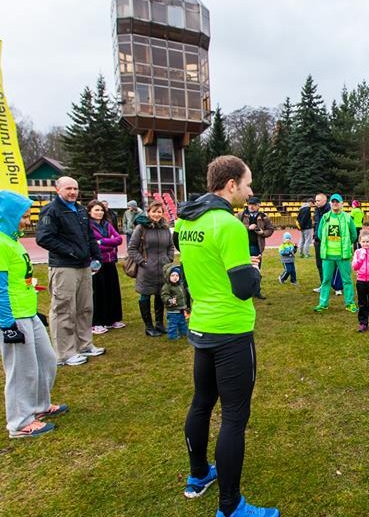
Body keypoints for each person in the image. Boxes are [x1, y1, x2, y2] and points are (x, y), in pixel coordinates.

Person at [174, 155, 278, 517]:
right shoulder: (228, 225)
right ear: (231, 184)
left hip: (201, 325)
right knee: (234, 416)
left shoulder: (187, 220)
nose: (250, 192)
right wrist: (254, 271)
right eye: (247, 184)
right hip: (230, 329)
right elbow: (243, 288)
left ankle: (199, 475)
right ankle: (231, 506)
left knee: (202, 402)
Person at [0, 190, 67, 438]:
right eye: (23, 216)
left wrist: (31, 296)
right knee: (21, 370)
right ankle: (19, 423)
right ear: (8, 215)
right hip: (9, 317)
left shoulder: (11, 241)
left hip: (26, 313)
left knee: (46, 360)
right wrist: (7, 324)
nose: (26, 221)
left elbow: (19, 280)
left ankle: (39, 406)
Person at [36, 176, 105, 367]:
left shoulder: (81, 210)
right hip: (64, 266)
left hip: (84, 266)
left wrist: (96, 255)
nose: (72, 192)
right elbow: (44, 238)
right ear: (58, 189)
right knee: (64, 309)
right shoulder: (52, 211)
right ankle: (64, 353)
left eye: (75, 188)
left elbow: (89, 236)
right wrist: (71, 251)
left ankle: (84, 344)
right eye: (68, 189)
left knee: (85, 307)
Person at [129, 200, 175, 337]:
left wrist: (169, 259)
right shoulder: (141, 228)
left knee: (160, 296)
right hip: (146, 270)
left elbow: (170, 246)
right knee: (145, 296)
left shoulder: (165, 228)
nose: (156, 214)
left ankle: (160, 324)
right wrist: (143, 262)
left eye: (159, 212)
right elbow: (132, 249)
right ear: (149, 212)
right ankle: (149, 326)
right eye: (154, 211)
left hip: (163, 269)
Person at [314, 194, 358, 312]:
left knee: (347, 280)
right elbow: (320, 234)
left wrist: (346, 245)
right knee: (326, 280)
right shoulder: (325, 217)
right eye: (333, 202)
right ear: (330, 203)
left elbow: (354, 235)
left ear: (342, 203)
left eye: (337, 202)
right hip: (328, 255)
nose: (335, 204)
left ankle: (350, 303)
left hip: (343, 255)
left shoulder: (348, 218)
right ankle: (323, 303)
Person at [88, 200, 125, 335]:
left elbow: (118, 239)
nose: (99, 213)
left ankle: (112, 319)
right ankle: (97, 321)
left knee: (112, 290)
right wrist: (108, 242)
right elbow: (93, 244)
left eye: (101, 210)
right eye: (96, 210)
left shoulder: (107, 225)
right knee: (98, 292)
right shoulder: (88, 226)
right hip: (96, 263)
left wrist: (103, 241)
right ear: (90, 211)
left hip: (110, 261)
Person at [240, 197, 275, 300]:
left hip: (256, 247)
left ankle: (256, 291)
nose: (251, 206)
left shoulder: (264, 217)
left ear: (259, 205)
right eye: (250, 204)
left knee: (256, 270)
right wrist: (248, 227)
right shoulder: (240, 215)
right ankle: (244, 292)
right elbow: (234, 227)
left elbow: (271, 229)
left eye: (254, 204)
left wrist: (262, 233)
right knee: (243, 270)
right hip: (242, 247)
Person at [161, 263, 189, 340]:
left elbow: (183, 296)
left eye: (177, 275)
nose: (175, 278)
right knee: (173, 324)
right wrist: (169, 300)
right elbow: (164, 296)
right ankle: (172, 336)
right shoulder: (167, 287)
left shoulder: (180, 285)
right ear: (168, 276)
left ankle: (184, 332)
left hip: (181, 308)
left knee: (182, 322)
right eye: (172, 276)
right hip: (173, 310)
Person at [312, 193, 331, 289]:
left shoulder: (330, 211)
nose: (316, 202)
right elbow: (316, 225)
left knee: (330, 264)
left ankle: (336, 285)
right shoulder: (316, 210)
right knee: (319, 264)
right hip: (318, 241)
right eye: (315, 201)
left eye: (318, 200)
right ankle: (323, 284)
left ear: (324, 201)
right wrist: (314, 237)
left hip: (328, 242)